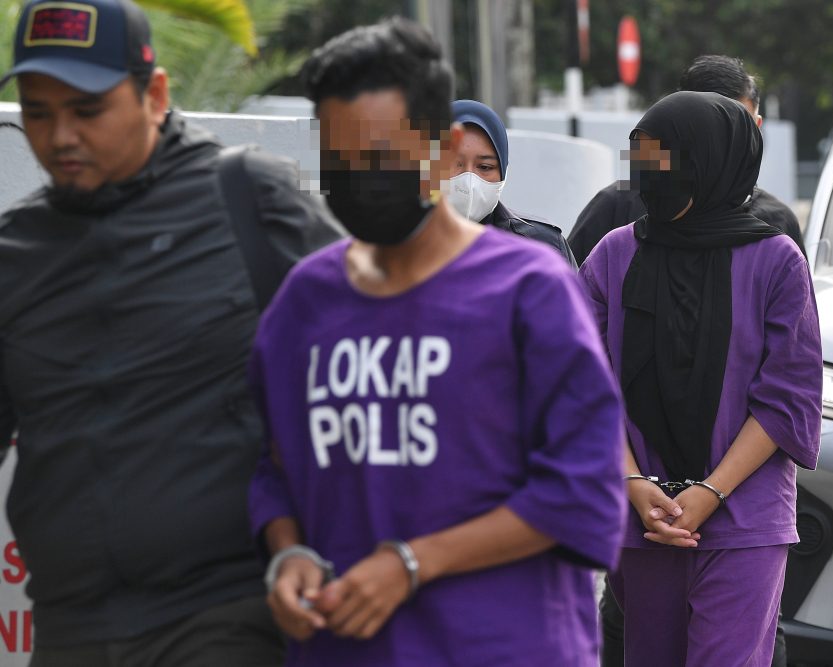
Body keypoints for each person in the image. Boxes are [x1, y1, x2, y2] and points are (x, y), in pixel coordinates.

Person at [249, 17, 626, 667]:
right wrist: (289, 553)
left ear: (441, 150)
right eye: (339, 158)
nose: (359, 177)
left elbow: (585, 491)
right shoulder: (305, 301)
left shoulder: (530, 292)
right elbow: (275, 467)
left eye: (381, 155)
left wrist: (413, 562)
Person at [0, 0, 338, 664]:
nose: (61, 135)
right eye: (38, 112)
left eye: (87, 110)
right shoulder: (15, 253)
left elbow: (367, 366)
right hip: (70, 627)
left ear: (154, 95)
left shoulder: (251, 200)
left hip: (228, 614)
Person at [578, 91, 822, 666]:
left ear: (711, 161)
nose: (648, 175)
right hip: (642, 516)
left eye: (663, 158)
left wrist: (711, 491)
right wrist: (633, 482)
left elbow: (787, 397)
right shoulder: (614, 255)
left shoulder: (777, 261)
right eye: (641, 157)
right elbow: (582, 382)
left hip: (744, 515)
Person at [568, 55, 806, 265]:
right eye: (709, 130)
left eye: (737, 129)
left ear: (756, 127)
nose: (722, 147)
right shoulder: (616, 211)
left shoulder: (778, 228)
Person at [449, 98, 577, 266]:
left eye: (485, 167)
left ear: (503, 173)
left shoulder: (543, 246)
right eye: (453, 163)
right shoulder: (412, 247)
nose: (469, 180)